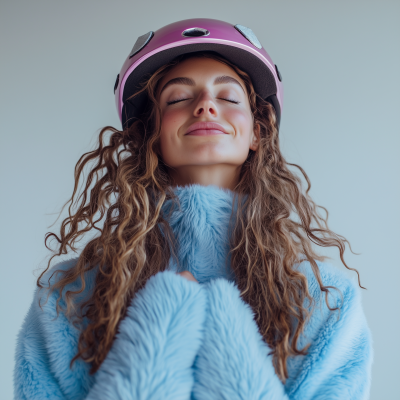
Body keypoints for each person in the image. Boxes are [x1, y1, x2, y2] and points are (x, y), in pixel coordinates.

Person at [13, 19, 373, 399]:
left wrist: (228, 340)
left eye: (229, 98)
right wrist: (160, 331)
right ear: (149, 134)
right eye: (178, 98)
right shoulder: (70, 297)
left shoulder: (323, 300)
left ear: (257, 132)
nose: (204, 105)